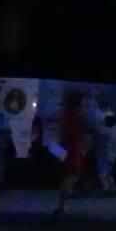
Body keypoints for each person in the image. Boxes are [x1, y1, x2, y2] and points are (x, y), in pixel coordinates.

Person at [50, 89, 90, 220]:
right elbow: (75, 134)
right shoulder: (75, 116)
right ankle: (62, 206)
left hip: (67, 149)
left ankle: (63, 205)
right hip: (72, 150)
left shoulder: (67, 114)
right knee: (70, 176)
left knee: (68, 176)